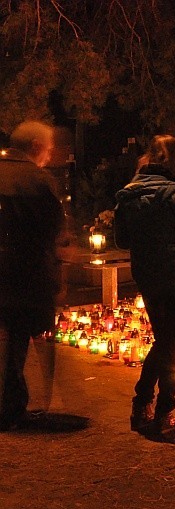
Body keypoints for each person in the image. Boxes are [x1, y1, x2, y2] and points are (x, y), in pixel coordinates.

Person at [114, 135, 175, 433]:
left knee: (164, 340)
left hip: (147, 274)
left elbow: (122, 240)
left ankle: (145, 406)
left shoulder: (128, 195)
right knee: (170, 344)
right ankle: (160, 408)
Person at [0, 121, 68, 431]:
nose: (50, 155)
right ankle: (11, 406)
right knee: (15, 340)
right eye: (49, 149)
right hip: (23, 274)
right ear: (37, 148)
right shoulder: (39, 181)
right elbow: (51, 230)